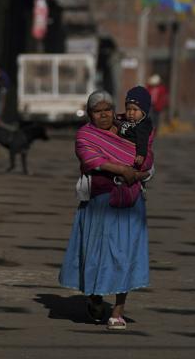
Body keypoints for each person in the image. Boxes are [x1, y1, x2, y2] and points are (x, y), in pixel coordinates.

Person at [58, 90, 154, 330]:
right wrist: (122, 170)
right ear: (90, 114)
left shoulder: (130, 129)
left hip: (130, 202)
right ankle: (94, 296)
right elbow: (91, 160)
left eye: (107, 110)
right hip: (99, 202)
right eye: (97, 112)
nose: (103, 115)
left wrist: (141, 172)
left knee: (125, 254)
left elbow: (148, 155)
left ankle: (118, 311)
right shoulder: (85, 136)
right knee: (95, 254)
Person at [118, 86, 155, 169]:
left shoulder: (143, 125)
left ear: (143, 112)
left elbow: (142, 140)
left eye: (135, 110)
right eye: (128, 109)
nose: (131, 113)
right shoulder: (125, 119)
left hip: (131, 153)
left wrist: (141, 154)